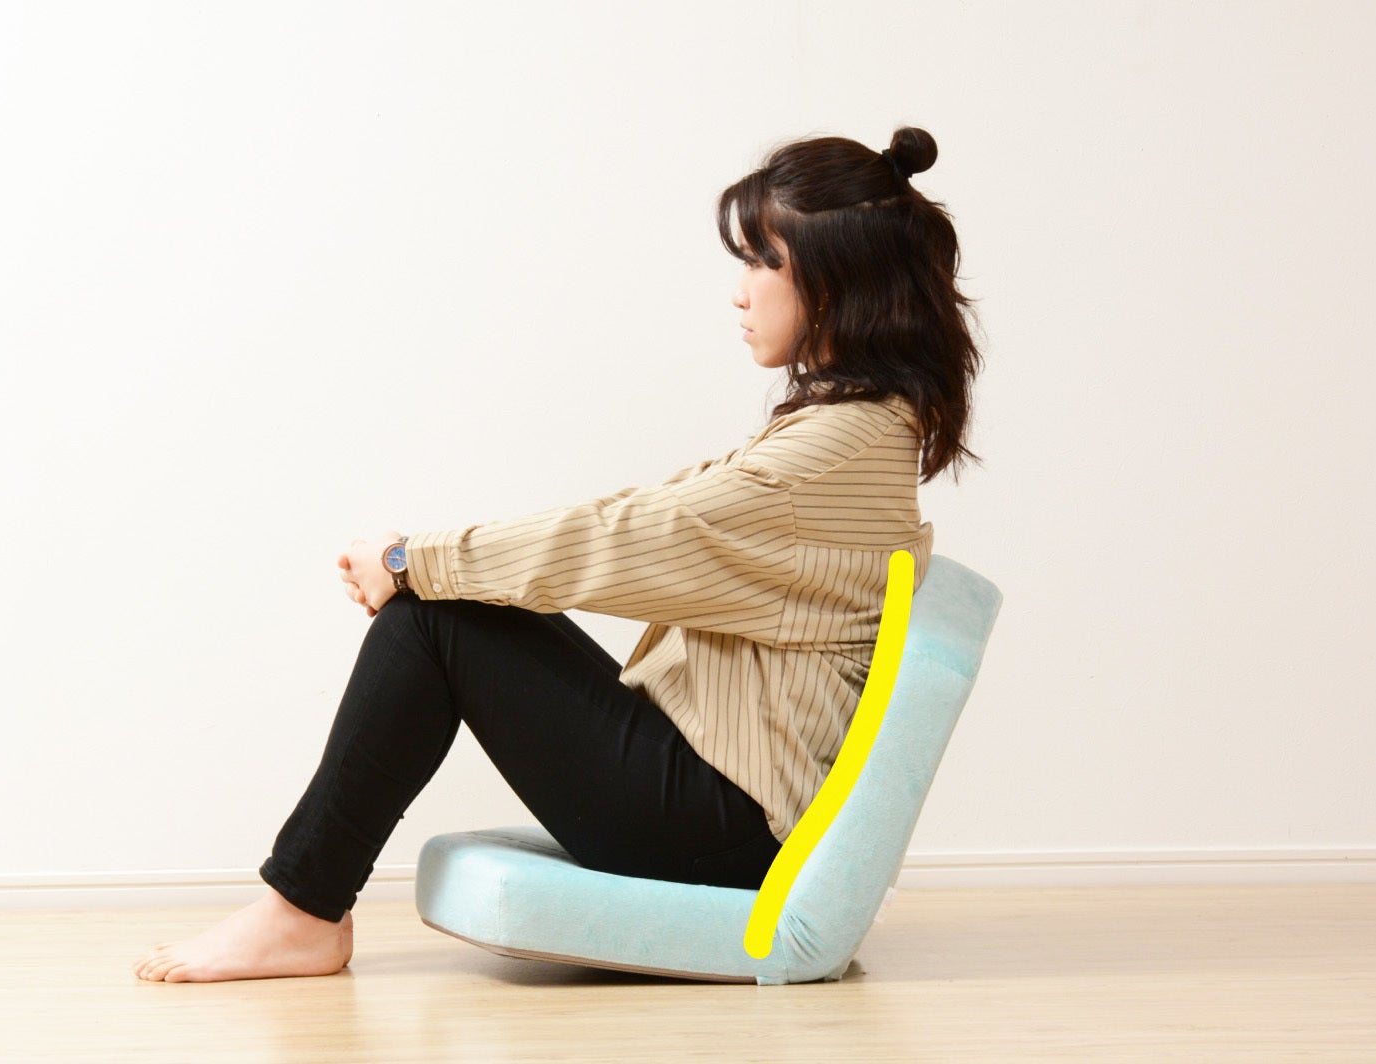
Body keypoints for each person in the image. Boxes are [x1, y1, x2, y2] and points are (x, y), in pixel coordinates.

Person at [132, 125, 983, 982]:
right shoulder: (857, 430)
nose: (740, 292)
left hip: (727, 829)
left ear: (837, 281)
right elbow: (646, 518)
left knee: (430, 624)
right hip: (723, 803)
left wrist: (409, 563)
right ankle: (303, 909)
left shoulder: (828, 456)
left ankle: (300, 914)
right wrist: (422, 562)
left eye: (764, 262)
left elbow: (626, 540)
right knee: (441, 610)